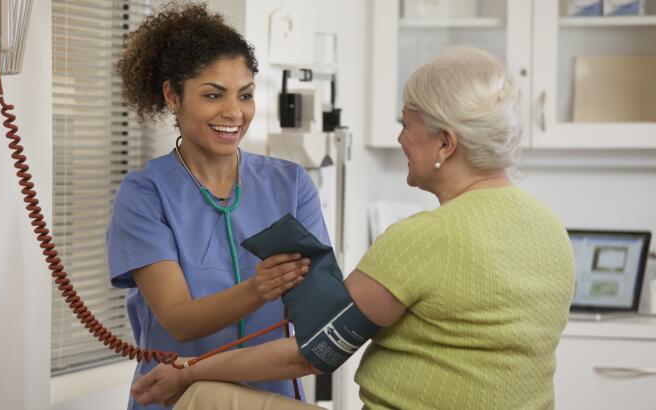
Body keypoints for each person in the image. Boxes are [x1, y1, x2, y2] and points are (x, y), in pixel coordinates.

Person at [129, 45, 576, 410]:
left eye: (407, 124)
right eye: (213, 94)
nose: (400, 137)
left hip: (267, 380)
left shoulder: (424, 238)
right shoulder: (551, 228)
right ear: (173, 96)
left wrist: (192, 371)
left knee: (199, 397)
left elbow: (316, 351)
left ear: (445, 143)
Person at [106, 3, 330, 409]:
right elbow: (177, 319)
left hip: (269, 399)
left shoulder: (291, 184)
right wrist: (259, 289)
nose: (233, 112)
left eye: (245, 95)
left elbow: (323, 314)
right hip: (179, 397)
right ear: (173, 96)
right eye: (213, 95)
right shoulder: (145, 194)